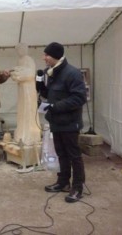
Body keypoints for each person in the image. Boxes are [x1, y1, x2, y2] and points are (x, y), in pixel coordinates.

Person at [38, 42, 87, 203]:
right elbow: (51, 95)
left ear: (55, 57)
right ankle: (63, 182)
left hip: (70, 123)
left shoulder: (72, 73)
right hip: (56, 122)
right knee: (61, 154)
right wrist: (40, 87)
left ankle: (78, 187)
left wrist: (55, 106)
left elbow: (79, 98)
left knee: (74, 156)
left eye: (46, 55)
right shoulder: (52, 73)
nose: (44, 58)